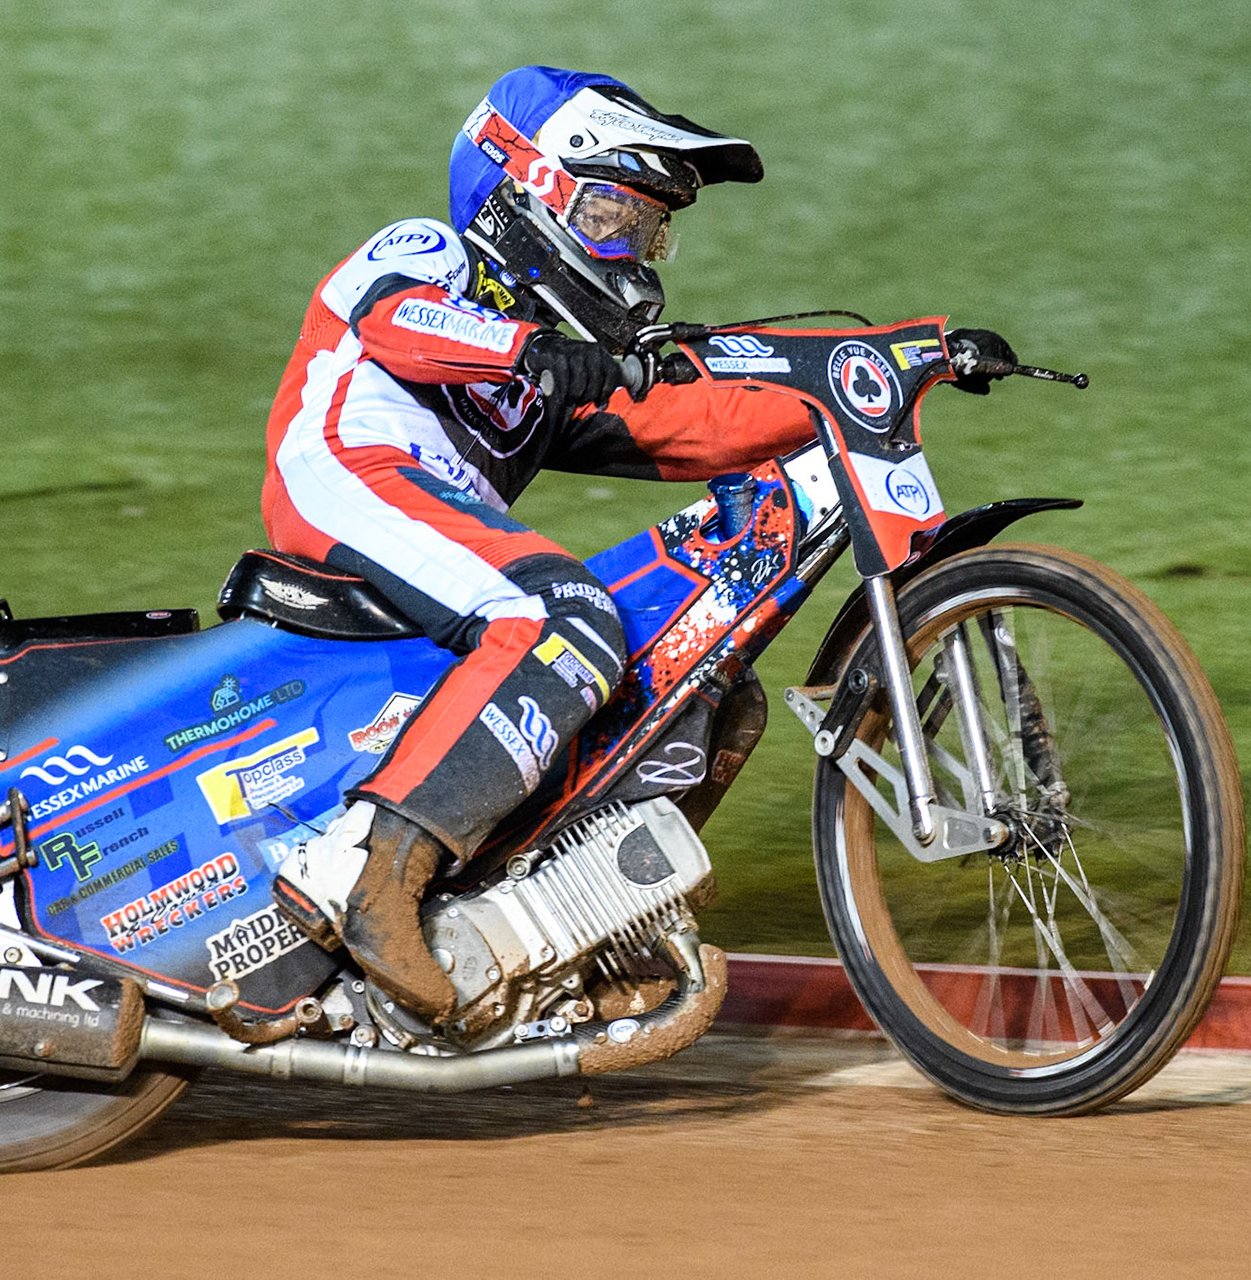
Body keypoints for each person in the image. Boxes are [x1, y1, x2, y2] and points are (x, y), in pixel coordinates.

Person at [262, 66, 1013, 1020]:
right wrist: (526, 349)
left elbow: (692, 425)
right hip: (342, 469)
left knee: (705, 682)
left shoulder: (557, 356)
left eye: (648, 228)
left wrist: (894, 364)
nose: (634, 248)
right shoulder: (431, 250)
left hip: (433, 514)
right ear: (525, 190)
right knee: (563, 616)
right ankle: (371, 873)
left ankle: (588, 929)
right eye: (612, 214)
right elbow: (395, 323)